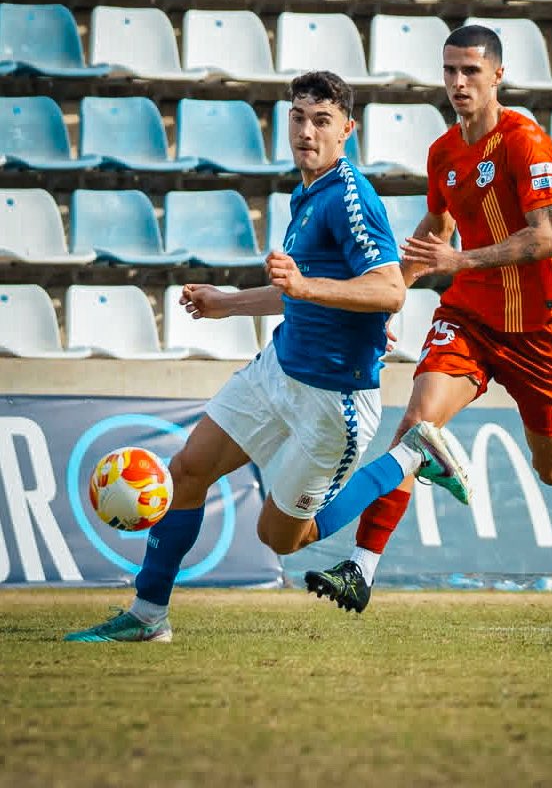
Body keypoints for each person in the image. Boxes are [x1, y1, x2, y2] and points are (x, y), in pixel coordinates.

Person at [64, 71, 469, 643]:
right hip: (277, 370)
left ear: (347, 130)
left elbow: (390, 290)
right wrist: (227, 304)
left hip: (335, 402)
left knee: (280, 538)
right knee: (187, 471)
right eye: (299, 118)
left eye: (322, 121)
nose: (307, 131)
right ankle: (148, 614)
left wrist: (304, 289)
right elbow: (302, 287)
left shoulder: (350, 197)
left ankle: (408, 457)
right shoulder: (305, 191)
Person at [304, 25, 552, 614]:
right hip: (470, 319)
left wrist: (461, 260)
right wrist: (392, 286)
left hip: (537, 332)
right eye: (449, 70)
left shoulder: (525, 140)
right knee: (416, 428)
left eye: (470, 71)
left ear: (497, 75)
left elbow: (548, 237)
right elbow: (436, 234)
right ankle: (361, 568)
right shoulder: (443, 152)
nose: (457, 82)